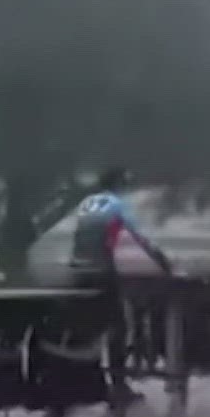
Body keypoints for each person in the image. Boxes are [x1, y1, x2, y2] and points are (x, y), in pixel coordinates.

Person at [70, 167, 173, 399]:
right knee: (117, 327)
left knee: (87, 326)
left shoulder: (87, 203)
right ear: (118, 185)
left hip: (78, 269)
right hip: (102, 270)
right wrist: (161, 260)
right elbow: (136, 237)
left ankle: (82, 378)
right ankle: (118, 385)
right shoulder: (116, 204)